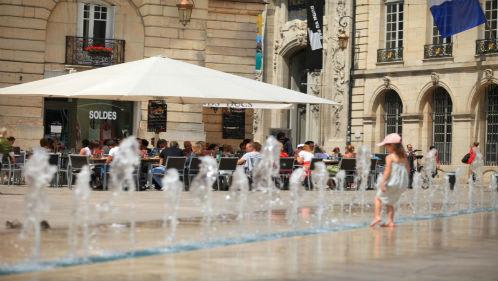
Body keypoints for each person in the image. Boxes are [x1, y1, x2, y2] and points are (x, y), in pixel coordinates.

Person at [370, 133, 409, 228]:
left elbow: (387, 171)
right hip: (401, 183)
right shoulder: (403, 156)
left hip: (392, 182)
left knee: (377, 198)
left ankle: (377, 217)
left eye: (386, 146)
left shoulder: (390, 157)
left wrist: (382, 182)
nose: (385, 148)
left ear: (391, 145)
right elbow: (408, 168)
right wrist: (405, 181)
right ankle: (390, 221)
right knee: (390, 201)